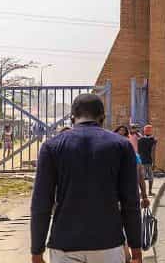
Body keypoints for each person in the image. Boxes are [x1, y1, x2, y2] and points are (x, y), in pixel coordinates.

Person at [30, 93, 142, 263]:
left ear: (72, 118)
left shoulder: (51, 147)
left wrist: (37, 251)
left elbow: (41, 203)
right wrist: (136, 250)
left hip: (65, 245)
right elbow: (130, 202)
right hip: (108, 244)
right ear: (102, 118)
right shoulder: (122, 146)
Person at [137, 125, 158, 196]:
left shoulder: (139, 140)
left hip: (141, 161)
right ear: (151, 131)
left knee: (141, 178)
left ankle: (142, 192)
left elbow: (138, 151)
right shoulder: (153, 140)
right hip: (149, 161)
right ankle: (149, 191)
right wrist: (154, 163)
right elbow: (153, 152)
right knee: (150, 178)